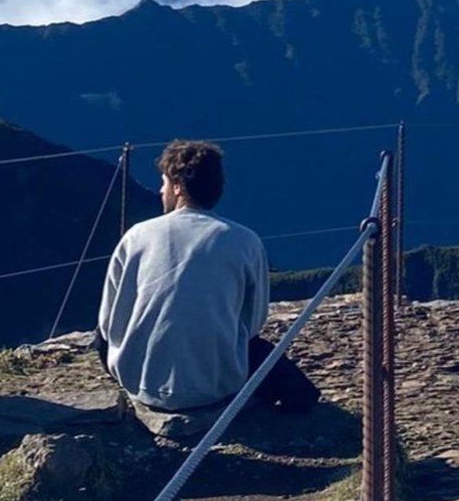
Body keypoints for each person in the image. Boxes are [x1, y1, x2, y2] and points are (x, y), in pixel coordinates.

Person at [97, 139, 318, 414]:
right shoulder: (244, 240)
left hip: (139, 381)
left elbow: (107, 323)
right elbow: (253, 322)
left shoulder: (137, 236)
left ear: (178, 186)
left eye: (164, 182)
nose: (161, 190)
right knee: (280, 371)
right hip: (217, 384)